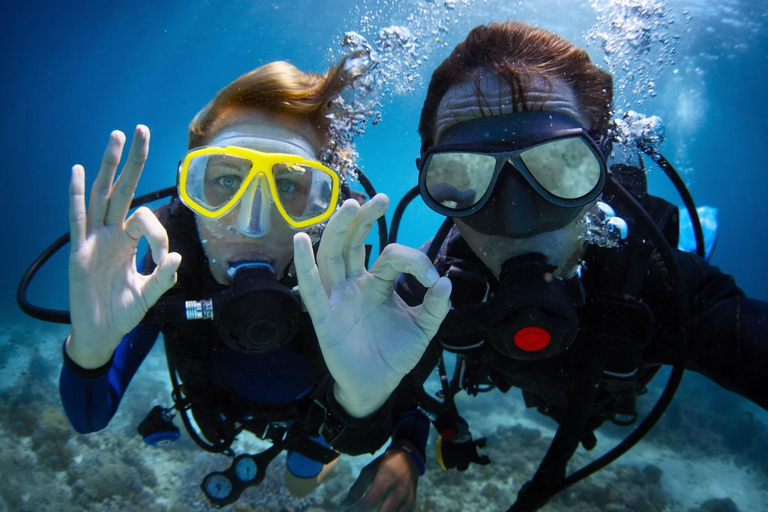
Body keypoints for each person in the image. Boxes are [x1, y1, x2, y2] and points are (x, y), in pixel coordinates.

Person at [388, 21, 768, 511]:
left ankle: (703, 230)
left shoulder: (656, 280)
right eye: (462, 176)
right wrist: (404, 444)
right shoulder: (430, 288)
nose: (516, 221)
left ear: (601, 166)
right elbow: (385, 389)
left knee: (693, 244)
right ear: (431, 180)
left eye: (560, 166)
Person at [59, 58, 451, 507]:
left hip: (315, 420)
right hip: (220, 412)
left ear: (327, 207)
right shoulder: (167, 262)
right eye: (226, 179)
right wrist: (90, 348)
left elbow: (401, 403)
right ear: (192, 191)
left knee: (299, 481)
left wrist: (363, 405)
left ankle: (310, 463)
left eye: (288, 188)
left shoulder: (347, 271)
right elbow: (89, 416)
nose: (252, 225)